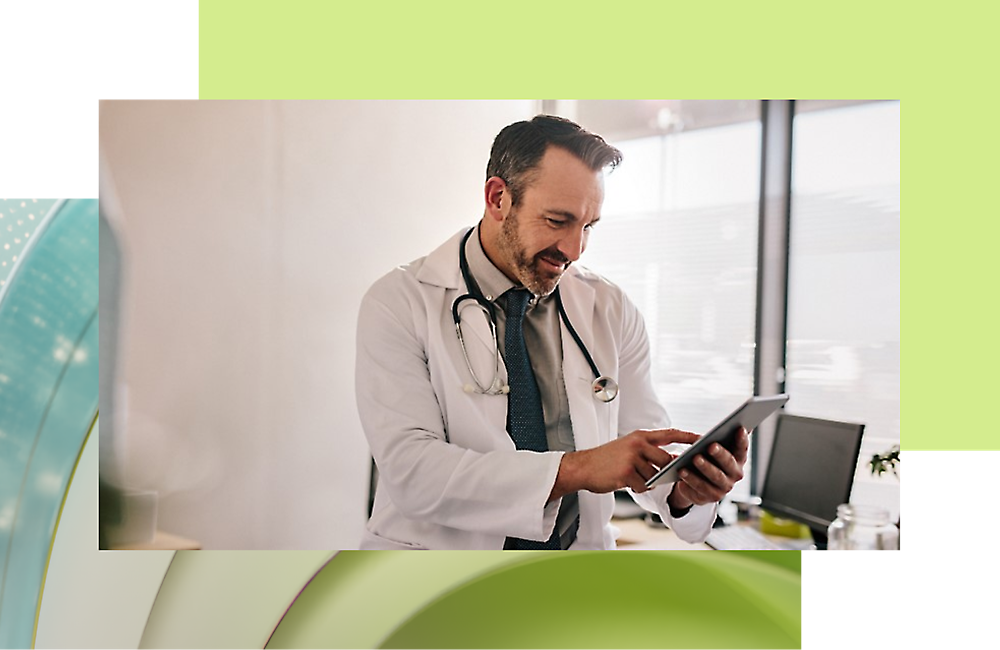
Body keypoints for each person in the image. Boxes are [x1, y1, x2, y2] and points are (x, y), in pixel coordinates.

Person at [356, 115, 748, 550]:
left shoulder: (610, 309)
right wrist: (579, 469)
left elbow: (646, 453)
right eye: (558, 220)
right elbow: (413, 473)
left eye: (588, 226)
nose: (574, 250)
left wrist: (684, 491)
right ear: (498, 197)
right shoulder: (400, 301)